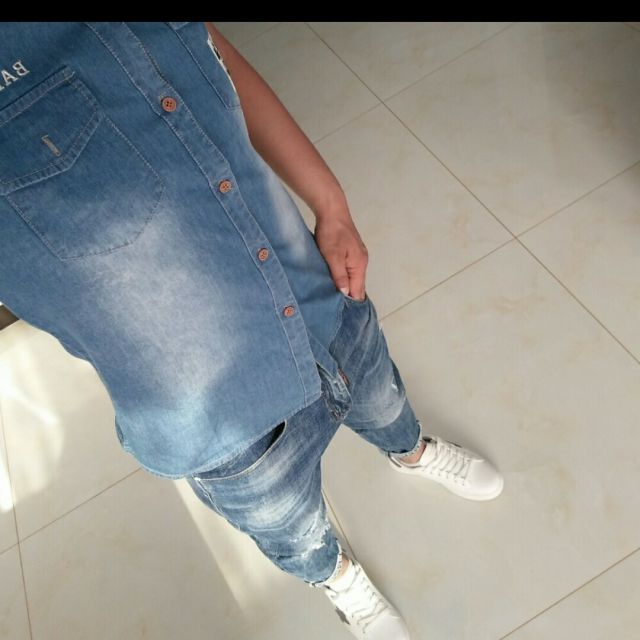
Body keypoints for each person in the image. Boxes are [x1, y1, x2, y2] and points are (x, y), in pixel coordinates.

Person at [0, 22, 504, 639]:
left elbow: (210, 52)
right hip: (219, 415)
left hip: (316, 298)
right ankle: (336, 575)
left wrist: (331, 203)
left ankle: (410, 451)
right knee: (291, 526)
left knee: (383, 400)